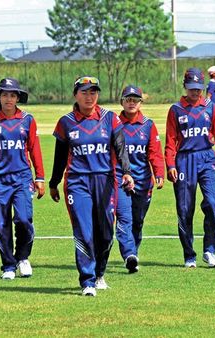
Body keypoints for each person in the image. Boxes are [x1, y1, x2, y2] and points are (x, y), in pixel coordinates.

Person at [49, 76, 134, 297]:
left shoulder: (110, 119)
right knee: (84, 230)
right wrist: (53, 183)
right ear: (76, 94)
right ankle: (87, 280)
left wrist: (126, 173)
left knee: (105, 233)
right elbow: (59, 158)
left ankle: (99, 274)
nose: (89, 96)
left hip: (105, 181)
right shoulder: (66, 122)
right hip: (77, 183)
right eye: (85, 92)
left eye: (93, 92)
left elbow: (121, 148)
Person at [165, 67, 215, 269]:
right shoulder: (175, 110)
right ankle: (189, 255)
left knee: (212, 201)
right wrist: (170, 164)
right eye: (192, 88)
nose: (195, 92)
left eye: (199, 88)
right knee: (184, 209)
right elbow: (170, 141)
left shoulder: (209, 107)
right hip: (184, 161)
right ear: (185, 87)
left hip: (207, 158)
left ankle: (211, 250)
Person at [0, 78, 45, 280]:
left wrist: (40, 177)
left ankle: (23, 258)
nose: (9, 98)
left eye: (13, 95)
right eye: (5, 94)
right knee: (1, 223)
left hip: (22, 178)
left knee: (24, 219)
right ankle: (8, 265)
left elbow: (35, 148)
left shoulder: (27, 120)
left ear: (18, 98)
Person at [115, 85, 164, 273]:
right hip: (121, 180)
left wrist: (159, 173)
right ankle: (128, 254)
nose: (131, 103)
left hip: (143, 181)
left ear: (140, 103)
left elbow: (154, 152)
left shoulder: (148, 125)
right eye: (128, 99)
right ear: (122, 102)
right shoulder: (114, 123)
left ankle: (133, 254)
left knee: (138, 221)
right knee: (124, 218)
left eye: (135, 100)